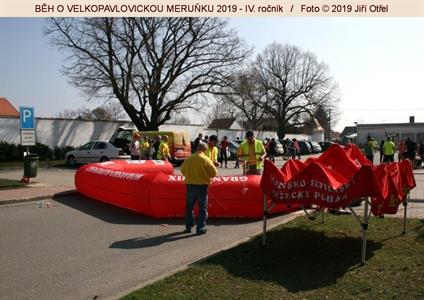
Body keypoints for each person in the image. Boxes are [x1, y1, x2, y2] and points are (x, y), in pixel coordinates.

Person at [181, 142, 217, 235]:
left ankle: (188, 226)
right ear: (204, 150)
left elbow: (182, 170)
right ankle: (200, 228)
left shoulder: (189, 159)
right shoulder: (206, 159)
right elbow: (213, 173)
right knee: (202, 208)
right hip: (202, 186)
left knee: (189, 207)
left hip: (190, 185)